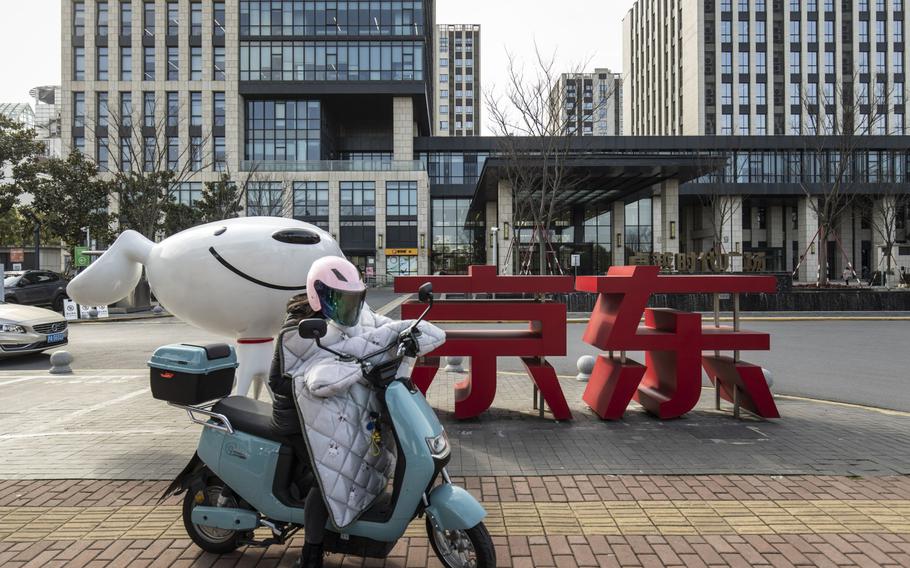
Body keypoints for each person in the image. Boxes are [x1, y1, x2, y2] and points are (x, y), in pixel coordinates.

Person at [272, 257, 445, 568]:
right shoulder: (297, 332)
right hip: (298, 420)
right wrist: (322, 382)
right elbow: (279, 383)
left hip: (340, 411)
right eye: (339, 300)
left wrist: (405, 336)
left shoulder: (357, 315)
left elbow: (378, 332)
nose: (348, 308)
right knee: (327, 479)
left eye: (353, 300)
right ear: (318, 295)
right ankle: (312, 551)